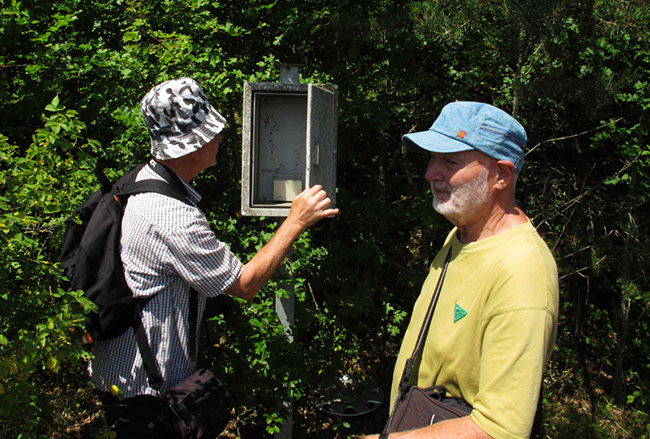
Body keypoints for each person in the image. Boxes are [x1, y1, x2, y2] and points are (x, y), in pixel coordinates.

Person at [88, 77, 339, 438]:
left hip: (118, 374)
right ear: (191, 147)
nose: (220, 138)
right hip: (144, 395)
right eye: (211, 132)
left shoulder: (141, 181)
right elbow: (245, 284)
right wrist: (295, 222)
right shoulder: (172, 216)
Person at [367, 102, 559, 439]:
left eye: (450, 161)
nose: (430, 173)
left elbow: (500, 429)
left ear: (501, 175)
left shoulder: (522, 271)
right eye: (432, 158)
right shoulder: (462, 233)